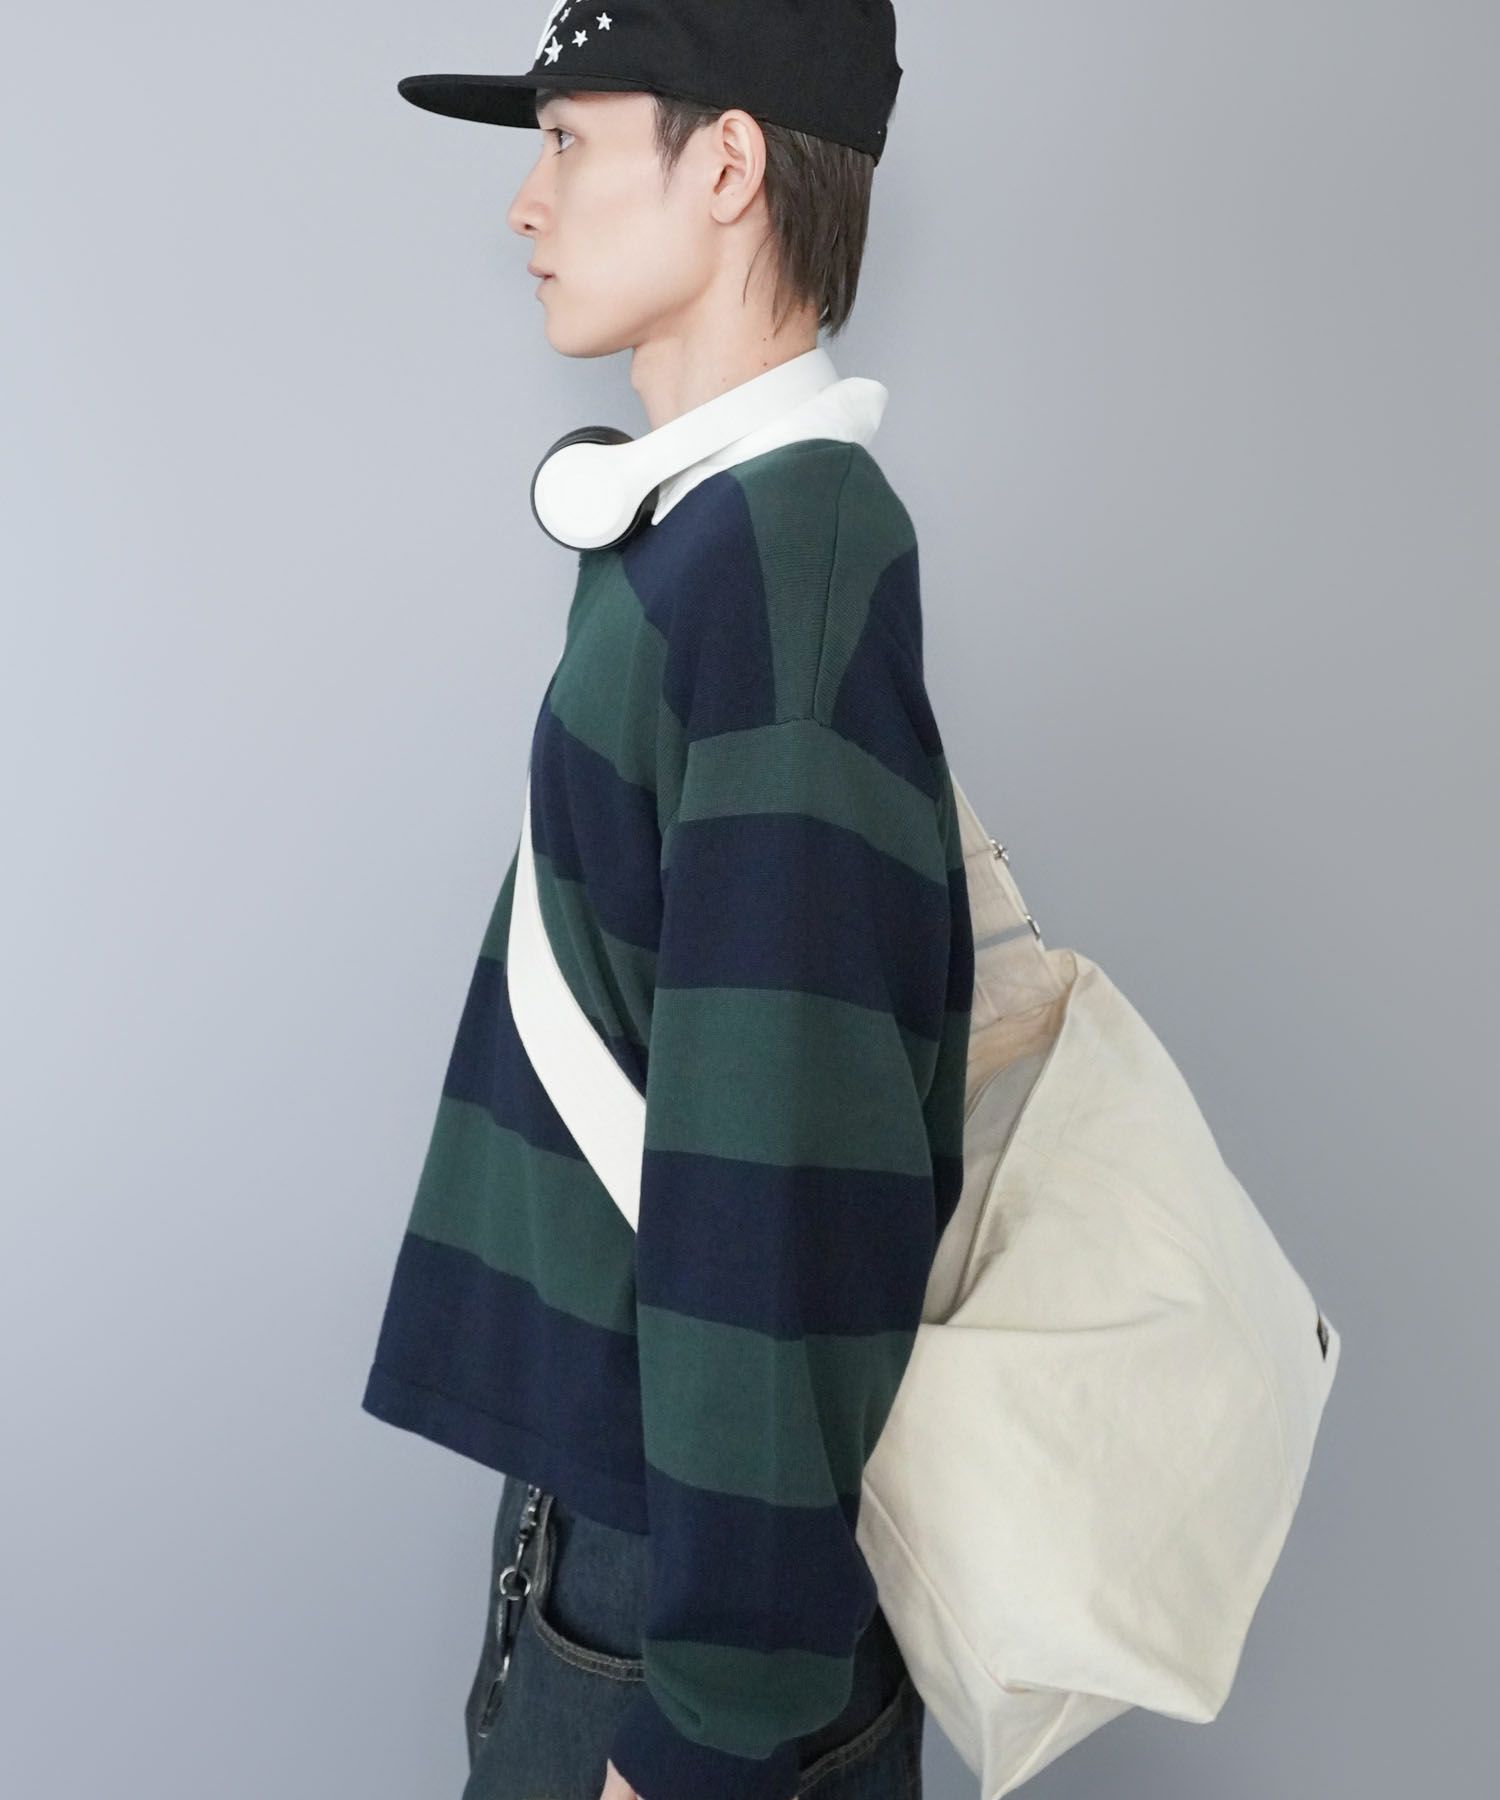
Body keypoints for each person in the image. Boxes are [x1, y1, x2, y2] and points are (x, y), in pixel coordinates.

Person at [361, 4, 975, 1797]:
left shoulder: (784, 561)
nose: (524, 202)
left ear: (726, 165)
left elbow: (783, 1157)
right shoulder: (706, 533)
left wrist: (715, 1710)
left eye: (567, 140)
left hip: (694, 1583)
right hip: (639, 1513)